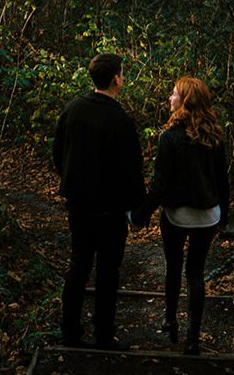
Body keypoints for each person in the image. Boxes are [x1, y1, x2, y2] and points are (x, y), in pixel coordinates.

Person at [131, 77, 231, 356]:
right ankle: (193, 340)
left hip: (176, 215)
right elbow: (223, 181)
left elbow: (160, 184)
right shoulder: (214, 136)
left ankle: (170, 319)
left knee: (174, 266)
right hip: (207, 216)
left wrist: (140, 215)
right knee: (196, 273)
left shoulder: (170, 137)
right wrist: (224, 215)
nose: (169, 97)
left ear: (185, 101)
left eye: (173, 94)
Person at [52, 53, 144, 351]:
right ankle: (104, 334)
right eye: (123, 73)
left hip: (79, 205)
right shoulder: (121, 120)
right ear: (116, 78)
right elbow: (132, 170)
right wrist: (137, 208)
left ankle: (70, 331)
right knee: (107, 271)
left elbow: (58, 154)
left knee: (78, 265)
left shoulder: (72, 110)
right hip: (110, 211)